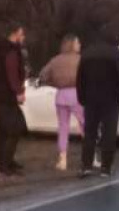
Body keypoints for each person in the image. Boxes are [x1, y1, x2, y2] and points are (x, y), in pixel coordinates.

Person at [76, 26, 119, 178]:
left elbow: (80, 78)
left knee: (89, 132)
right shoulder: (116, 54)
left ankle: (86, 166)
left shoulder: (86, 54)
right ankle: (105, 167)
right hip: (111, 99)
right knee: (108, 133)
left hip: (91, 98)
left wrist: (81, 97)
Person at [38, 34, 86, 171]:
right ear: (72, 44)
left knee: (63, 128)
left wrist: (54, 83)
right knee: (85, 125)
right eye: (77, 43)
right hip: (77, 94)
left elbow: (43, 75)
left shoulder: (55, 60)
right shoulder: (80, 60)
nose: (80, 45)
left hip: (61, 95)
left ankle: (63, 160)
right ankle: (91, 156)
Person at [0, 21, 28, 176]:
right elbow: (12, 74)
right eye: (22, 34)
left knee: (0, 129)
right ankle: (6, 163)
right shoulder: (11, 52)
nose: (23, 37)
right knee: (16, 128)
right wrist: (19, 92)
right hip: (6, 96)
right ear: (15, 34)